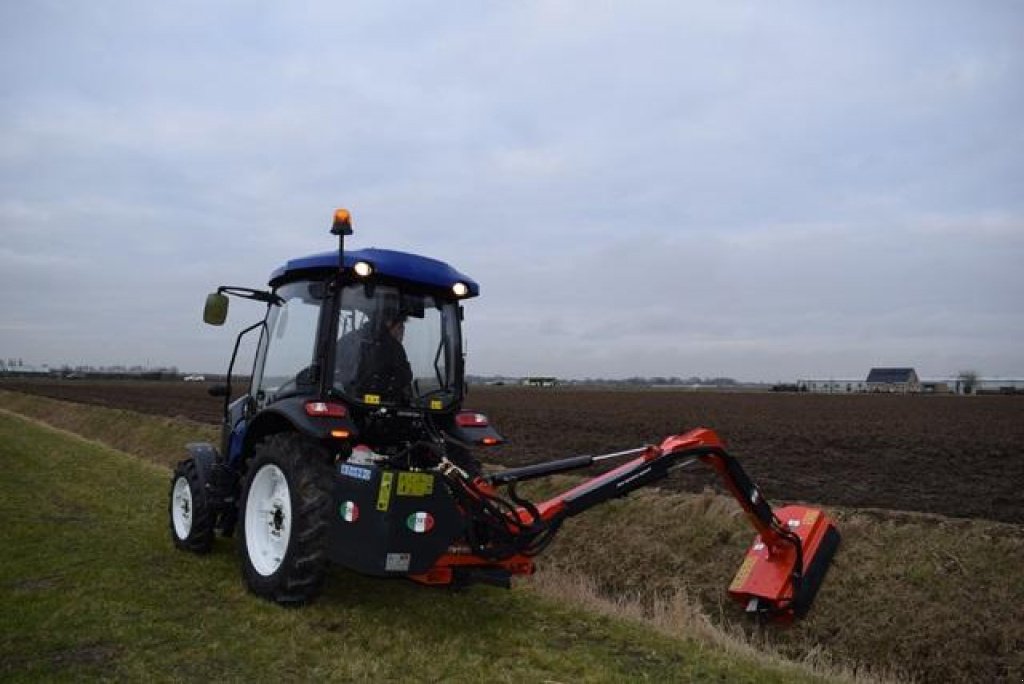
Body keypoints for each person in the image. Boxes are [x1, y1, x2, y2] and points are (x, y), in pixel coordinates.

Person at [338, 311, 413, 401]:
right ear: (388, 323)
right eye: (400, 327)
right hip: (380, 404)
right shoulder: (393, 347)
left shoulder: (347, 340)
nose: (402, 334)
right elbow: (404, 377)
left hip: (347, 399)